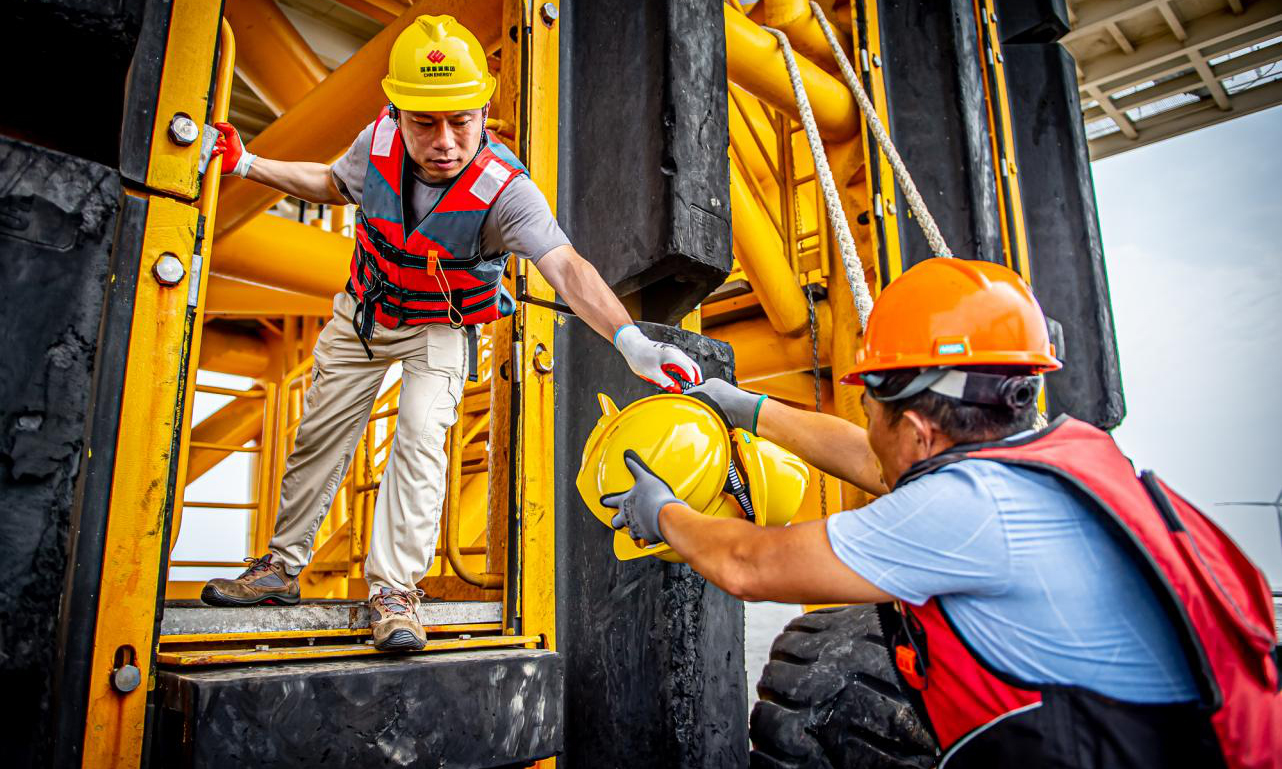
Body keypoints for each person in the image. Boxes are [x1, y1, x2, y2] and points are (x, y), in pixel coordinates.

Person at [602, 258, 1280, 767]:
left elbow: (748, 563)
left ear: (921, 426)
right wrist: (746, 408)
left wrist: (661, 512)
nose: (863, 421)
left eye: (869, 405)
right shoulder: (1065, 455)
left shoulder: (966, 512)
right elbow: (876, 462)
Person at [200, 15, 703, 652]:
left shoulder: (505, 193)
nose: (444, 140)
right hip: (364, 313)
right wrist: (247, 161)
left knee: (418, 442)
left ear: (483, 109)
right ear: (398, 112)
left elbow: (567, 267)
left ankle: (394, 593)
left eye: (461, 120)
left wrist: (632, 342)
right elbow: (329, 184)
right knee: (317, 437)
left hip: (437, 326)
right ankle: (278, 568)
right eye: (424, 122)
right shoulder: (376, 142)